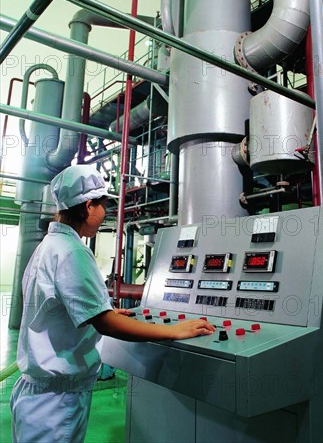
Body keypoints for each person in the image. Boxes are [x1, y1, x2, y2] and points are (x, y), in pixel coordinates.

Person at [10, 164, 215, 443]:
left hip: (39, 397)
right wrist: (175, 330)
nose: (104, 214)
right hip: (55, 403)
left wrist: (101, 309)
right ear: (88, 205)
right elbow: (105, 324)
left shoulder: (49, 246)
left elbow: (58, 305)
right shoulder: (72, 251)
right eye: (103, 205)